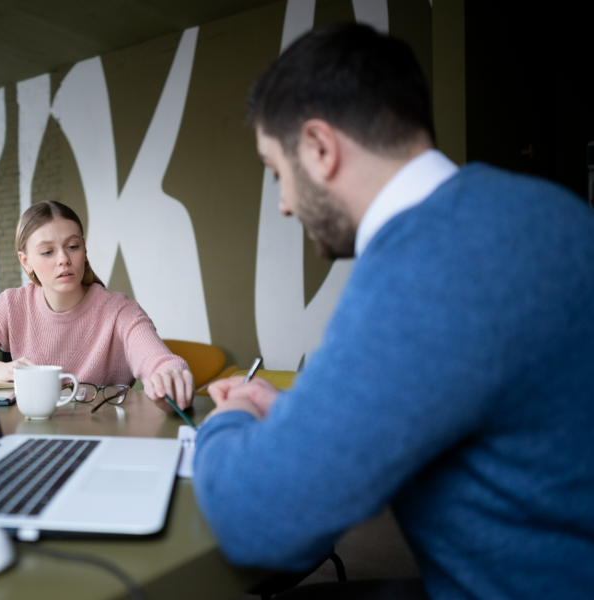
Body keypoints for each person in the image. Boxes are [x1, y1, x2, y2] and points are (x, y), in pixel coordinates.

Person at [195, 23, 594, 599]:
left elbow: (258, 519)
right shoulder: (545, 209)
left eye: (277, 173)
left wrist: (227, 423)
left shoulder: (430, 263)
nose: (282, 204)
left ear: (320, 148)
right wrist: (307, 419)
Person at [0, 200, 195, 409]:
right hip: (31, 435)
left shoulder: (119, 311)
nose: (63, 259)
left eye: (72, 246)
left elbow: (157, 361)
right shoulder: (12, 305)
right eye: (48, 251)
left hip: (103, 437)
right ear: (26, 261)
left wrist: (171, 376)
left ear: (84, 251)